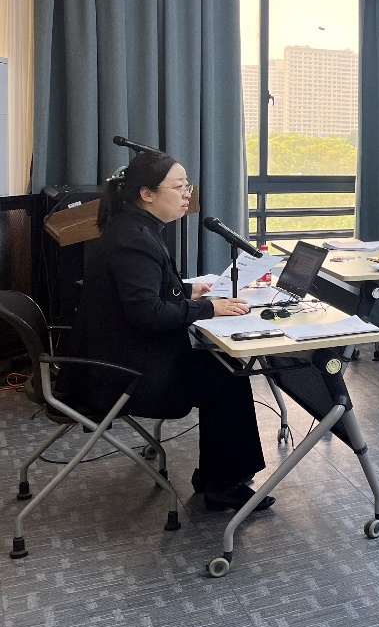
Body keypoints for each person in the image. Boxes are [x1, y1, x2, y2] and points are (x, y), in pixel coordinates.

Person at [56, 151, 272, 512]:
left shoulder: (132, 227)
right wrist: (210, 308)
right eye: (179, 186)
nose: (188, 193)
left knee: (221, 368)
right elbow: (148, 313)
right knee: (227, 376)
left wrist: (186, 291)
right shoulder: (134, 238)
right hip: (123, 375)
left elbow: (142, 292)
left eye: (187, 185)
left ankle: (217, 475)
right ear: (147, 193)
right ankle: (222, 485)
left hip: (119, 356)